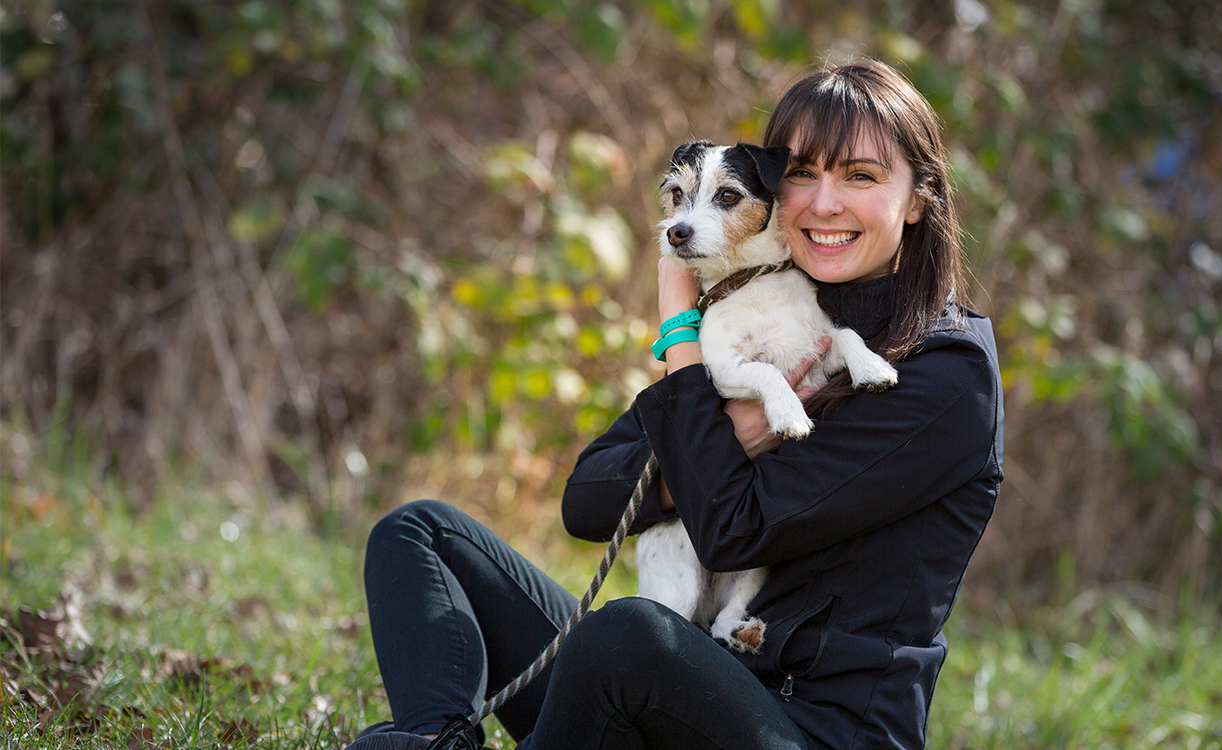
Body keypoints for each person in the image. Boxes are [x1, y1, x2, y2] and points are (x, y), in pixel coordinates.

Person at [350, 59, 1003, 750]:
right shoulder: (755, 300)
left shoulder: (944, 370)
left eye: (860, 176)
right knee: (422, 533)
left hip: (810, 729)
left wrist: (679, 334)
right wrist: (729, 426)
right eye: (802, 174)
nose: (822, 203)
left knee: (628, 634)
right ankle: (436, 741)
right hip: (684, 680)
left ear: (916, 199)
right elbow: (589, 501)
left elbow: (731, 531)